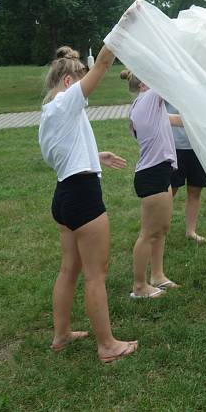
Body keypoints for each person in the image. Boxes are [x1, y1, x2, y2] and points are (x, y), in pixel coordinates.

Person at [39, 45, 138, 363]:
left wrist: (96, 157)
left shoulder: (48, 112)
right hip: (82, 195)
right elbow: (103, 65)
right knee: (96, 273)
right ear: (68, 81)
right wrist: (121, 31)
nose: (85, 92)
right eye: (80, 82)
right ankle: (107, 345)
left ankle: (61, 334)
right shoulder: (67, 101)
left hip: (64, 195)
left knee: (69, 269)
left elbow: (61, 153)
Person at [122, 70, 182, 298]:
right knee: (148, 233)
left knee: (161, 229)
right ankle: (139, 286)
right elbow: (167, 75)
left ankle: (158, 276)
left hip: (160, 171)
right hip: (153, 173)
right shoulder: (146, 100)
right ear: (142, 85)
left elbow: (173, 120)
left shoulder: (146, 106)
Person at [165, 102, 206, 244]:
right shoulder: (167, 85)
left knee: (195, 190)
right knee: (168, 192)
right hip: (174, 147)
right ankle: (157, 232)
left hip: (197, 146)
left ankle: (190, 231)